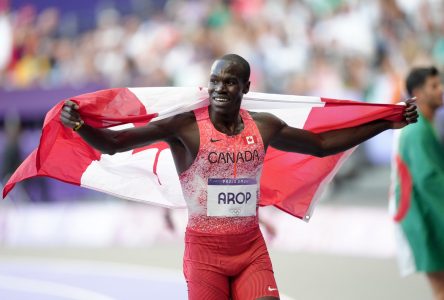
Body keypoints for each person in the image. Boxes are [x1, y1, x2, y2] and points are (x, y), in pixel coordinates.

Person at [61, 54, 418, 300]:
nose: (219, 89)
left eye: (229, 82)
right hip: (203, 254)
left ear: (245, 87)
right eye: (214, 81)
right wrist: (79, 125)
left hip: (250, 250)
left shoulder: (263, 125)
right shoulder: (184, 127)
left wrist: (385, 123)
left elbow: (322, 145)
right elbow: (114, 142)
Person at [390, 66, 444, 300]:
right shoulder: (416, 130)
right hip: (423, 217)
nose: (441, 90)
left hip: (426, 213)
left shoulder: (423, 126)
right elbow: (427, 179)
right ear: (417, 93)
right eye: (434, 86)